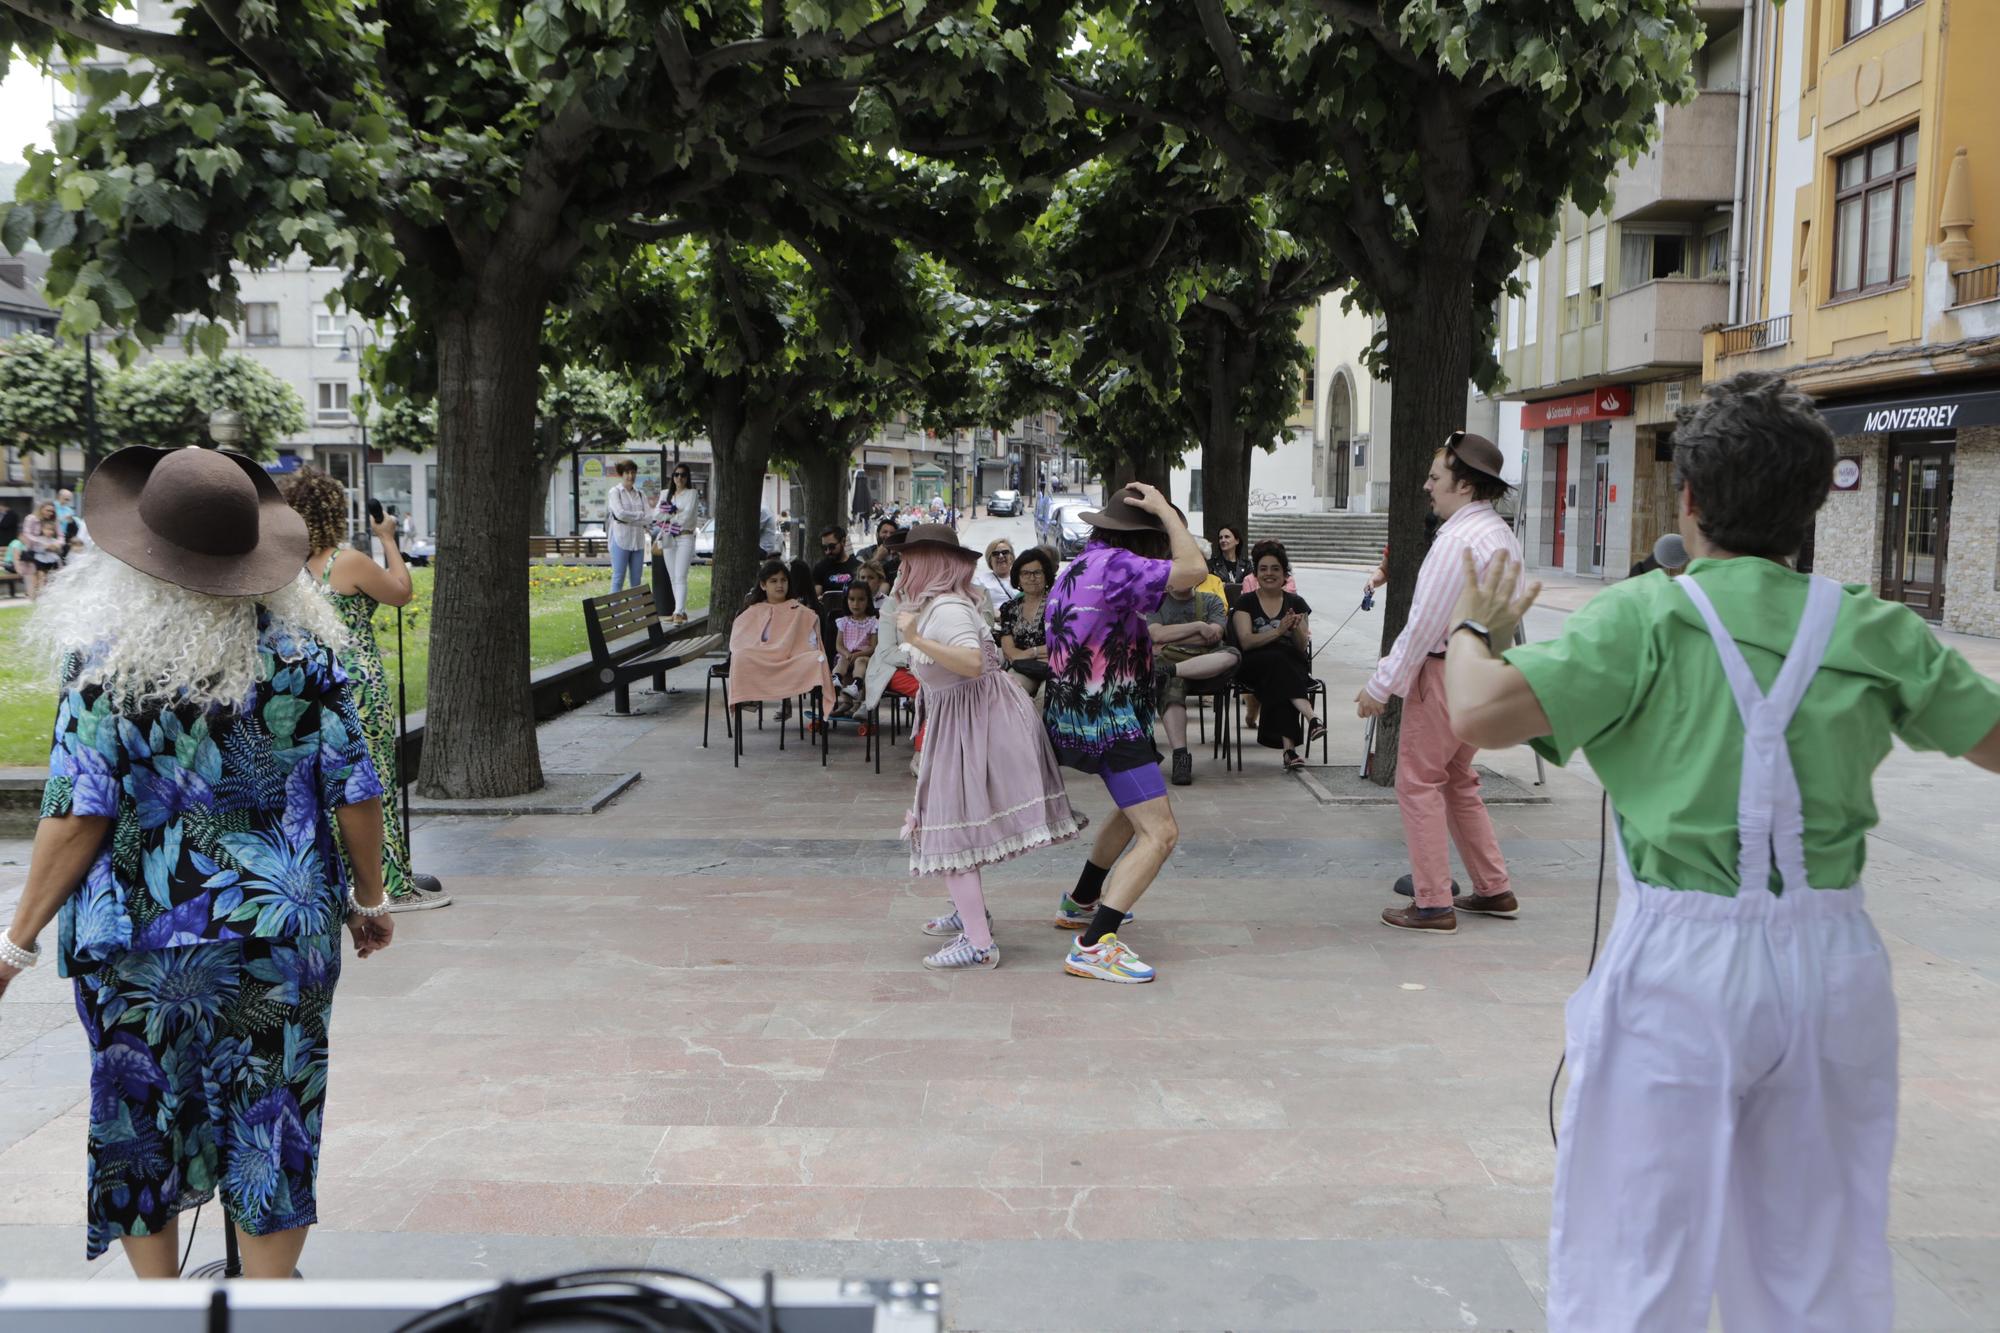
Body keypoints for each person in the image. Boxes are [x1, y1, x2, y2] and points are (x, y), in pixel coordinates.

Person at [1442, 372, 2000, 1331]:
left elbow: (1476, 712)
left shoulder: (1645, 615)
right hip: (1833, 963)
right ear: (1815, 500)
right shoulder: (1875, 627)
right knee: (1814, 1263)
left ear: (1689, 501)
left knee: (1635, 1254)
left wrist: (1474, 626)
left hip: (1681, 963)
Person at [0, 444, 395, 1276]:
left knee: (139, 1120)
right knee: (272, 1116)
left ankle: (162, 1306)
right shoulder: (304, 655)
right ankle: (268, 1295)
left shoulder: (106, 669)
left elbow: (77, 815)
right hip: (275, 940)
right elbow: (355, 790)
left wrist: (17, 941)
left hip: (135, 946)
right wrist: (370, 896)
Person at [1356, 432, 1523, 935]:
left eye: (1436, 478)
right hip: (1486, 670)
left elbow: (1423, 624)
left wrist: (1381, 686)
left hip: (1447, 671)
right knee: (1456, 780)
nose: (1427, 486)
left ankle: (1432, 902)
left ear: (1465, 485)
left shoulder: (1457, 540)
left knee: (1419, 781)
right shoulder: (1499, 535)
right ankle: (1492, 886)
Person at [897, 525, 1081, 970]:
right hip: (968, 722)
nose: (902, 568)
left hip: (978, 726)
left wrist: (917, 638)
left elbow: (974, 662)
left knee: (952, 827)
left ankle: (979, 943)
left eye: (909, 559)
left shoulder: (947, 609)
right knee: (952, 825)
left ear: (928, 564)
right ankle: (969, 914)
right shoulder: (942, 605)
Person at [1044, 483, 1205, 984]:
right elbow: (1193, 571)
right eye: (1159, 537)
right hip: (1106, 719)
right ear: (1146, 539)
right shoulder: (1117, 564)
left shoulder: (1081, 564)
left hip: (1078, 714)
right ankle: (1093, 946)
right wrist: (1164, 511)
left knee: (1132, 805)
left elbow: (1129, 627)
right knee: (1161, 833)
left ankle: (1082, 901)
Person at [283, 469, 450, 912]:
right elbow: (400, 592)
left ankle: (342, 875)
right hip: (356, 683)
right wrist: (389, 539)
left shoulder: (289, 566)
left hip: (311, 684)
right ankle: (390, 882)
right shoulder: (347, 561)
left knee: (327, 781)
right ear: (334, 512)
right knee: (371, 778)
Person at [1231, 541, 1321, 771]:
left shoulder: (1296, 603)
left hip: (1286, 668)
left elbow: (1301, 648)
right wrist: (1279, 631)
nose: (1269, 574)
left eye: (1275, 569)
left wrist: (1296, 629)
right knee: (1280, 663)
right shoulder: (1245, 602)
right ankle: (1312, 718)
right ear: (1256, 572)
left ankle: (1290, 752)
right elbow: (1246, 642)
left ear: (1284, 574)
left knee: (1282, 670)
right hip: (1253, 666)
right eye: (1263, 569)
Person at [1150, 574, 1239, 785]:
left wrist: (1171, 635)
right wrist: (1198, 626)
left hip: (1205, 667)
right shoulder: (1156, 603)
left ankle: (1170, 671)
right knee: (1172, 687)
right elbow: (1156, 635)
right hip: (1174, 670)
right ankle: (1181, 756)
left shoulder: (1211, 600)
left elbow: (1215, 635)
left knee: (1232, 655)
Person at [727, 560, 835, 720]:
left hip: (791, 660)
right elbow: (739, 643)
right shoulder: (752, 611)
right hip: (760, 660)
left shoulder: (802, 612)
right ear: (763, 585)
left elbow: (811, 644)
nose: (780, 585)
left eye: (783, 580)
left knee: (818, 659)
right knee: (740, 657)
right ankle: (748, 697)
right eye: (774, 581)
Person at [997, 545, 1055, 697]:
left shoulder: (1058, 603)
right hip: (1023, 667)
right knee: (1009, 693)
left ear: (1046, 575)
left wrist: (1027, 653)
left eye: (1037, 572)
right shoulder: (1009, 608)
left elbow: (1061, 646)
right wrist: (1036, 652)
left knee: (1045, 698)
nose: (1031, 578)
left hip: (1054, 665)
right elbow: (1010, 652)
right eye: (1025, 573)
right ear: (1018, 578)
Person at [655, 462, 701, 623]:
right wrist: (671, 513)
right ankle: (679, 610)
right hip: (669, 538)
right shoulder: (665, 494)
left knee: (681, 575)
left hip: (685, 537)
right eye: (676, 474)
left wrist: (670, 513)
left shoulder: (692, 493)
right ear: (672, 476)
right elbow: (657, 516)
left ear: (687, 478)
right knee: (673, 577)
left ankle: (678, 612)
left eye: (683, 475)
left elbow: (686, 517)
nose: (679, 478)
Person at [831, 582, 878, 712]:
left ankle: (857, 687)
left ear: (868, 601)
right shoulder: (843, 622)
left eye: (861, 599)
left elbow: (873, 647)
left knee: (859, 662)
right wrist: (846, 653)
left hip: (864, 657)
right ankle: (837, 681)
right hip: (847, 655)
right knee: (842, 660)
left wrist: (858, 654)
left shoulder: (873, 622)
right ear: (846, 600)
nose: (856, 604)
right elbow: (838, 645)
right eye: (852, 599)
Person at [606, 459, 650, 593]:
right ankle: (615, 613)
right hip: (620, 540)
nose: (630, 476)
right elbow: (619, 514)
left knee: (636, 581)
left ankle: (636, 613)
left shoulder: (641, 494)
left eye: (633, 472)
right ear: (622, 474)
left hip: (638, 542)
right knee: (618, 578)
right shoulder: (615, 492)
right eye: (627, 472)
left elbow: (649, 517)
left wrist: (630, 518)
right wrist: (639, 515)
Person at [21, 500, 64, 598]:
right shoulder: (31, 518)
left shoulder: (54, 520)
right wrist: (42, 543)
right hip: (33, 551)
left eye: (52, 511)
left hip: (50, 552)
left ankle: (46, 597)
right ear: (41, 509)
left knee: (49, 576)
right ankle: (34, 597)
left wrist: (57, 544)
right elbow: (27, 534)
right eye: (48, 510)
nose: (50, 513)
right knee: (34, 577)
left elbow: (61, 536)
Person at [972, 538, 1018, 619]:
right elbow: (974, 606)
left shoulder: (1023, 577)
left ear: (1011, 558)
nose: (1001, 556)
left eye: (1005, 552)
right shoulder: (980, 581)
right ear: (990, 560)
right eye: (995, 553)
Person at [813, 526, 861, 599]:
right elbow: (816, 593)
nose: (828, 551)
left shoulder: (857, 566)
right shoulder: (820, 568)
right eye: (824, 548)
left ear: (843, 542)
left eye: (832, 547)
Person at [1208, 523, 1250, 587]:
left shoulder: (1247, 565)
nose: (1223, 540)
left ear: (1237, 541)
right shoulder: (1212, 565)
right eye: (1220, 538)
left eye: (1227, 537)